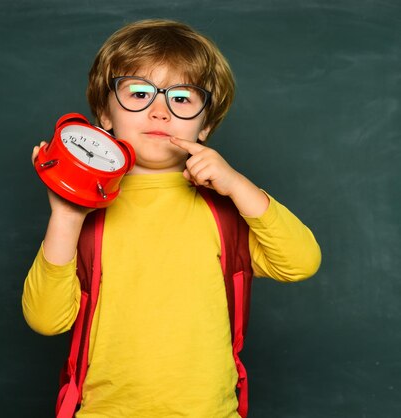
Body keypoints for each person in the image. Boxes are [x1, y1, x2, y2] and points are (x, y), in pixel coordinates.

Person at [22, 19, 321, 418]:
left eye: (182, 98)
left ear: (206, 125)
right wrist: (65, 215)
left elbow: (301, 262)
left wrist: (237, 185)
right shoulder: (85, 217)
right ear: (104, 115)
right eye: (139, 93)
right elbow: (46, 320)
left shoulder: (224, 213)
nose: (160, 111)